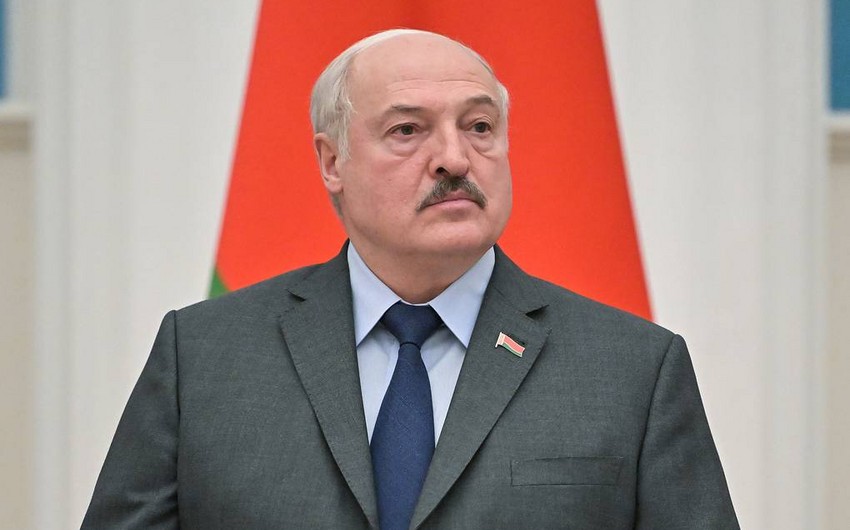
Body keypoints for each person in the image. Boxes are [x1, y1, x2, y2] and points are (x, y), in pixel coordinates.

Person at [82, 29, 739, 529]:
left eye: (479, 127)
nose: (455, 158)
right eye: (407, 130)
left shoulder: (633, 370)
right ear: (332, 162)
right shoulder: (203, 356)